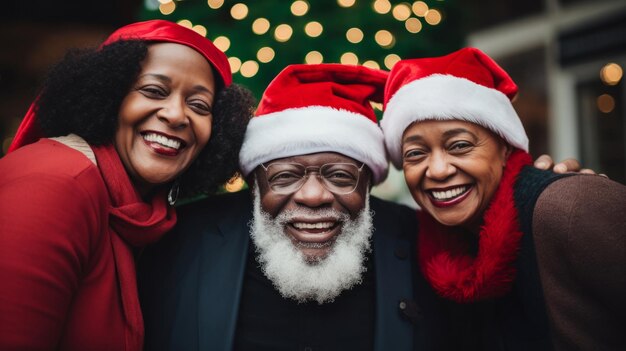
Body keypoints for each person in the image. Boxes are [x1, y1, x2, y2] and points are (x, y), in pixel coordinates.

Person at [137, 63, 583, 351]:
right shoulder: (176, 240)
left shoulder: (429, 243)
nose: (314, 197)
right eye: (287, 176)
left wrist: (536, 195)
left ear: (369, 182)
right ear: (254, 182)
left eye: (339, 176)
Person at [0, 19, 254, 350]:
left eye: (199, 105)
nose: (176, 115)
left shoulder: (142, 215)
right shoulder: (56, 184)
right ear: (107, 94)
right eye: (153, 91)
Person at [380, 47, 626, 350]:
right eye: (416, 154)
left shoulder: (570, 207)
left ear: (505, 147)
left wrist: (580, 203)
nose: (439, 170)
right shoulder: (433, 243)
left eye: (459, 145)